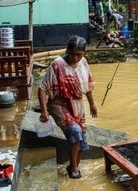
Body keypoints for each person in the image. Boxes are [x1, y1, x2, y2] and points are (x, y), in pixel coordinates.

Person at [38, 36, 97, 179]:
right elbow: (42, 88)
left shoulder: (83, 63)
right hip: (59, 104)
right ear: (67, 51)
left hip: (77, 104)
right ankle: (74, 169)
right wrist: (44, 110)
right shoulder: (57, 64)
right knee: (75, 131)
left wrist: (92, 104)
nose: (75, 58)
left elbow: (87, 85)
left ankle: (72, 166)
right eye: (72, 54)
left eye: (79, 54)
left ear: (83, 53)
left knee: (81, 138)